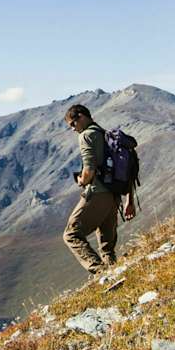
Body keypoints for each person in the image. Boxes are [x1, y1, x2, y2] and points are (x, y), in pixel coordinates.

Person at [62, 104, 120, 275]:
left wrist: (82, 180)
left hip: (97, 193)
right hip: (113, 194)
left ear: (81, 116)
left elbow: (89, 169)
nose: (73, 129)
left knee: (71, 234)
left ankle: (101, 272)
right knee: (106, 246)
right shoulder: (104, 133)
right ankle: (114, 273)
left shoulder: (86, 135)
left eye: (73, 124)